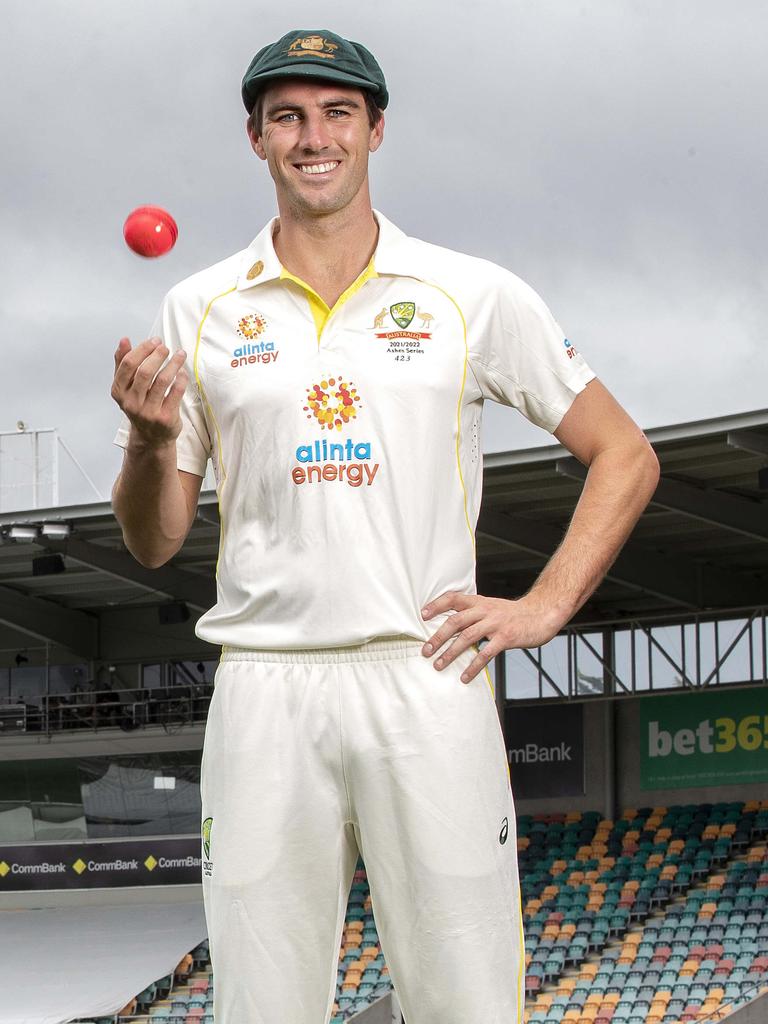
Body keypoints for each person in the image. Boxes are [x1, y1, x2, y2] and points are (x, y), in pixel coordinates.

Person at [110, 28, 659, 1024]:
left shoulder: (469, 292)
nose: (313, 136)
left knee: (469, 1003)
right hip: (266, 686)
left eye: (336, 114)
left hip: (426, 668)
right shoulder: (198, 307)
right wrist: (147, 446)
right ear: (256, 138)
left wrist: (542, 605)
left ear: (374, 130)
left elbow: (625, 452)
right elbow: (154, 540)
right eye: (288, 117)